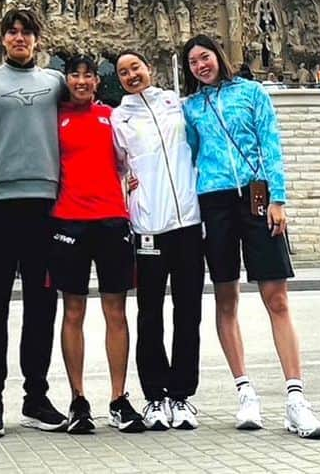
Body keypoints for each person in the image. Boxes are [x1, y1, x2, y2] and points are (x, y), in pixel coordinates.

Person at [182, 34, 320, 441]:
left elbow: (271, 145)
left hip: (255, 198)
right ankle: (244, 391)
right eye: (192, 62)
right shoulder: (190, 108)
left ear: (218, 56)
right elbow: (186, 157)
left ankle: (296, 398)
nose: (200, 66)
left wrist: (277, 198)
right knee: (226, 297)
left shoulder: (252, 93)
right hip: (213, 200)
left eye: (205, 57)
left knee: (276, 297)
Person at [0, 6, 69, 439]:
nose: (19, 38)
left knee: (42, 307)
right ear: (2, 38)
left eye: (26, 31)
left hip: (45, 207)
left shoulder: (55, 83)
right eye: (12, 32)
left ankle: (36, 397)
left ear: (37, 39)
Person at [50, 55, 145, 436]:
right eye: (75, 75)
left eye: (89, 75)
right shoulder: (53, 118)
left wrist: (138, 181)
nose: (82, 81)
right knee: (72, 311)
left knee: (116, 311)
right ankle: (78, 400)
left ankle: (119, 398)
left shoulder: (114, 116)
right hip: (69, 219)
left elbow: (133, 155)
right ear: (67, 80)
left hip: (111, 219)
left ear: (97, 81)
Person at [111, 49, 203, 433]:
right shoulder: (119, 118)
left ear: (149, 68)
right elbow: (117, 165)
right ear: (118, 80)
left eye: (136, 67)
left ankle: (181, 395)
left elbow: (197, 148)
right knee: (149, 314)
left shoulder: (176, 106)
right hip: (148, 226)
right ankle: (155, 396)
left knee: (188, 312)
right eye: (123, 72)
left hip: (187, 222)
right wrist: (133, 191)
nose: (132, 75)